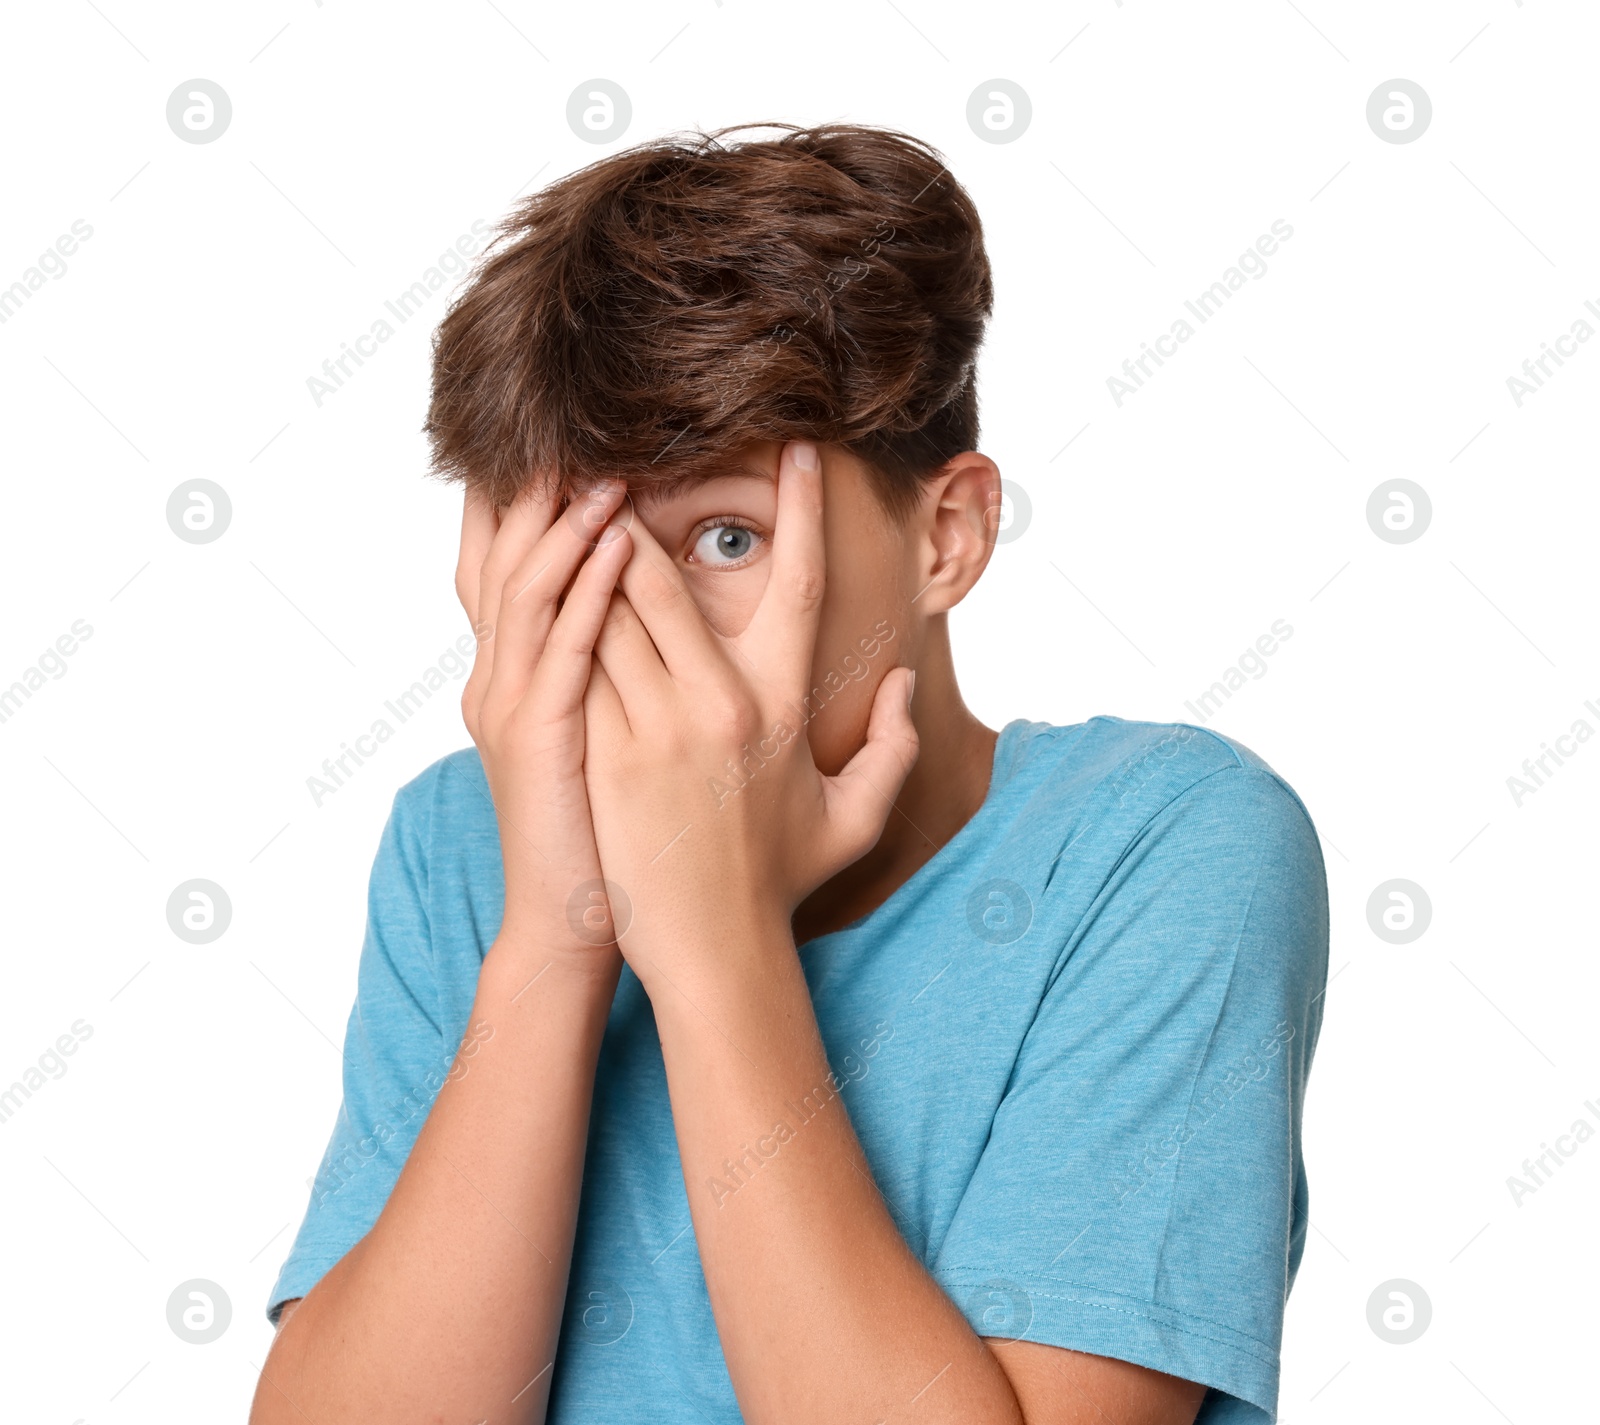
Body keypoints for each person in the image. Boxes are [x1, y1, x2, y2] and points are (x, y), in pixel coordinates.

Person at [250, 123, 1328, 1425]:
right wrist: (559, 928)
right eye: (576, 554)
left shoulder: (1157, 841)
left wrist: (713, 937)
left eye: (723, 535)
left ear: (946, 537)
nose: (638, 629)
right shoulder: (466, 842)